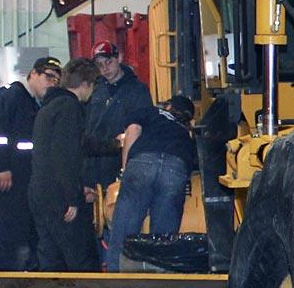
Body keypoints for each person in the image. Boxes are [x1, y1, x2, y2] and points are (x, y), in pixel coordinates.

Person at [0, 56, 58, 270]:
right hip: (3, 185)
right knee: (3, 242)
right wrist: (1, 168)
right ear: (33, 74)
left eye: (56, 81)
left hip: (22, 184)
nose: (52, 84)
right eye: (48, 77)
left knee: (20, 240)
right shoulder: (10, 96)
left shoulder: (34, 105)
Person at [104, 94, 199, 271]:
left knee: (124, 230)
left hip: (142, 162)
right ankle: (160, 286)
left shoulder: (150, 111)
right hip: (175, 167)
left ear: (168, 106)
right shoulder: (185, 132)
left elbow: (133, 131)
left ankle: (115, 280)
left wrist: (125, 169)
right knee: (163, 240)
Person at [28, 58, 103, 271]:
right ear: (87, 84)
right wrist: (72, 197)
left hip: (40, 194)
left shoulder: (48, 108)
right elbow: (65, 155)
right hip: (59, 198)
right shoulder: (70, 107)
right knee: (81, 260)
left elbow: (52, 155)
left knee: (51, 260)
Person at [82, 40, 154, 201]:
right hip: (94, 170)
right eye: (99, 64)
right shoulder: (94, 91)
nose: (105, 68)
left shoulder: (137, 91)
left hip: (120, 166)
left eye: (109, 62)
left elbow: (140, 130)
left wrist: (128, 172)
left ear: (119, 58)